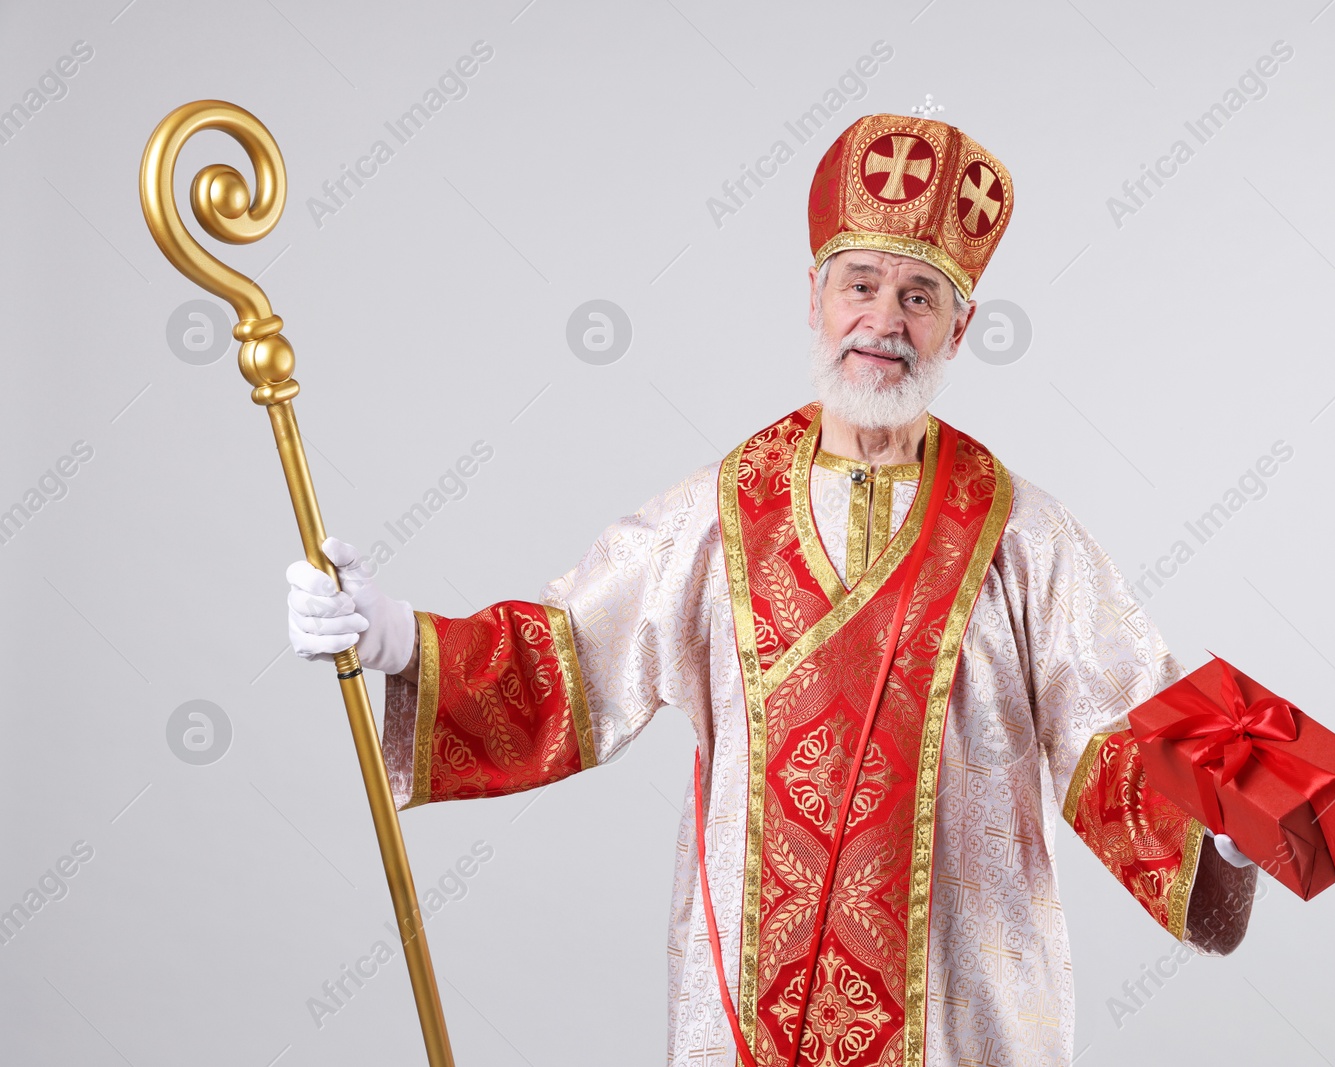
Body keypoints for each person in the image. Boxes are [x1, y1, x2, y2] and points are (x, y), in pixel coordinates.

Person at [285, 112, 1256, 1066]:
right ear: (813, 297)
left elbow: (1132, 725)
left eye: (920, 294)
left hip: (961, 1025)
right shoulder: (714, 517)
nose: (884, 319)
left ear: (963, 324)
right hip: (748, 1017)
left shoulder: (1026, 538)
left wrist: (1241, 823)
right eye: (860, 283)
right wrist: (399, 641)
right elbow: (573, 656)